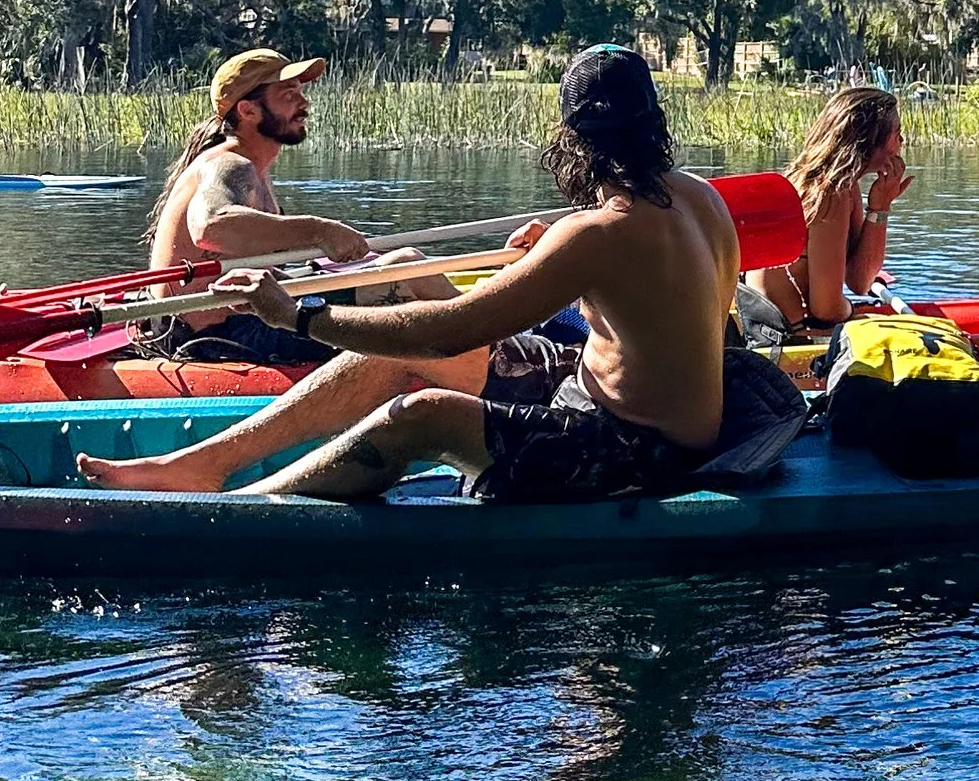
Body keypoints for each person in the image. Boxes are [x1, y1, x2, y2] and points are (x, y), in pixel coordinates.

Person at [96, 45, 800, 506]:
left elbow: (448, 331)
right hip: (610, 402)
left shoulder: (595, 233)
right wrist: (550, 258)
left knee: (424, 409)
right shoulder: (703, 199)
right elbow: (652, 312)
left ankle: (247, 513)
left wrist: (300, 317)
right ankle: (208, 463)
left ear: (576, 140)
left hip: (635, 452)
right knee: (392, 357)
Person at [80, 50, 498, 486]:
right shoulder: (229, 163)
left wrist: (320, 271)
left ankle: (486, 348)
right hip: (222, 334)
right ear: (247, 109)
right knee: (408, 269)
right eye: (288, 94)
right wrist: (317, 230)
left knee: (396, 266)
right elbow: (212, 226)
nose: (303, 103)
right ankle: (495, 358)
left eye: (300, 92)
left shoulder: (252, 169)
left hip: (246, 319)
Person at [747, 85, 911, 332]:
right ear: (868, 141)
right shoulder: (828, 192)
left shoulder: (843, 186)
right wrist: (857, 314)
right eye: (897, 133)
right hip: (791, 337)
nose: (902, 142)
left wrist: (880, 208)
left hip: (785, 329)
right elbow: (827, 309)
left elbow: (860, 281)